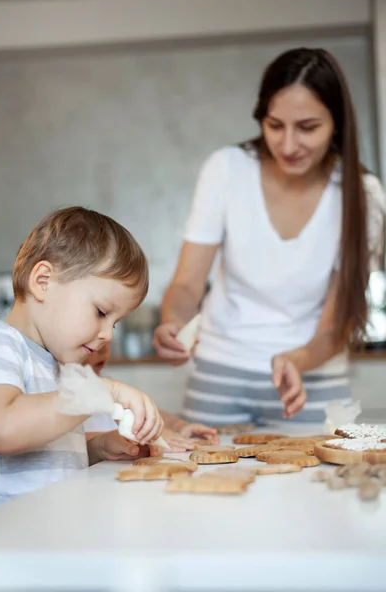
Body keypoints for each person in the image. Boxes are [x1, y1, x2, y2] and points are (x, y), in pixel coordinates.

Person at [153, 47, 386, 426]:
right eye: (275, 125)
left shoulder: (364, 194)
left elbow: (336, 323)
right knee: (202, 480)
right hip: (220, 371)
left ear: (337, 124)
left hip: (311, 376)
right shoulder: (227, 169)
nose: (289, 145)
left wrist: (296, 360)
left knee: (315, 483)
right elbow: (187, 283)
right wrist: (172, 322)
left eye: (308, 127)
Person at [0, 206, 164, 509]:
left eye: (115, 323)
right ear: (43, 282)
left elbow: (50, 461)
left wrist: (97, 447)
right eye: (101, 313)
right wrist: (100, 392)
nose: (108, 334)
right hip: (9, 545)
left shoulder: (59, 366)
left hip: (57, 533)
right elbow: (2, 430)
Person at [84, 343, 219, 451]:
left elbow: (148, 415)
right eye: (88, 343)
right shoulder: (67, 396)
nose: (102, 348)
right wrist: (151, 437)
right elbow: (73, 444)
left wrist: (179, 426)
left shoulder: (109, 386)